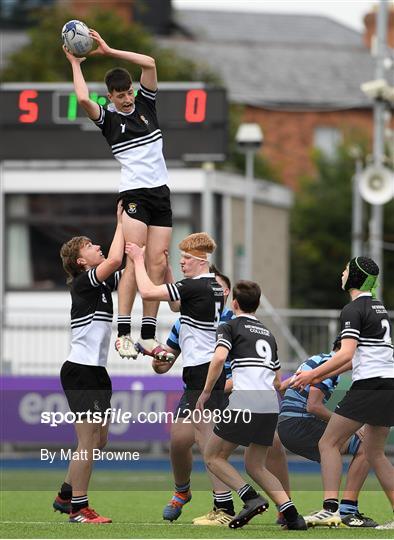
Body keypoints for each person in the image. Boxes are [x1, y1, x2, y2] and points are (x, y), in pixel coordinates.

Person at [63, 29, 173, 362]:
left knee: (158, 261)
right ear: (109, 97)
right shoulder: (109, 120)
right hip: (134, 194)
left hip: (161, 193)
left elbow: (150, 64)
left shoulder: (146, 106)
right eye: (120, 95)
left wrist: (111, 51)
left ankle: (149, 334)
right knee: (132, 258)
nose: (126, 98)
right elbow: (83, 99)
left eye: (128, 93)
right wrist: (75, 63)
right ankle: (124, 333)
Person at [126, 233, 237, 523]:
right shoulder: (196, 298)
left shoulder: (204, 290)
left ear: (201, 262)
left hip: (210, 376)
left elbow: (149, 293)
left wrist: (139, 259)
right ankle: (184, 492)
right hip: (195, 376)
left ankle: (227, 506)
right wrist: (158, 358)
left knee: (209, 442)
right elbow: (176, 311)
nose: (183, 262)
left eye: (186, 259)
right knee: (179, 441)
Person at [292, 256, 394, 530]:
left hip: (370, 386)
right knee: (375, 453)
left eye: (346, 270)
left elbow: (346, 353)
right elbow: (353, 360)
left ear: (355, 278)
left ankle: (330, 509)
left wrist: (312, 374)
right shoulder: (378, 307)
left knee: (328, 443)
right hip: (388, 385)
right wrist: (318, 375)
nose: (342, 273)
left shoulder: (353, 308)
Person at [196, 280, 307, 530]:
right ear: (257, 304)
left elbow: (219, 358)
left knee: (213, 456)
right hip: (269, 405)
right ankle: (292, 516)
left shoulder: (229, 325)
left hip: (244, 401)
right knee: (255, 465)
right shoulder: (268, 334)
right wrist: (296, 380)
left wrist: (205, 392)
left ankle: (250, 498)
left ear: (234, 303)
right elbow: (278, 382)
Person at [53, 202, 124, 523]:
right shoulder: (85, 282)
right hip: (80, 371)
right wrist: (124, 220)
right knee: (87, 441)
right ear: (82, 262)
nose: (99, 247)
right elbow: (117, 259)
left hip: (96, 372)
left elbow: (129, 270)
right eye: (91, 246)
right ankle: (78, 509)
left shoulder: (103, 286)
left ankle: (65, 493)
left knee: (100, 439)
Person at [278, 336, 377, 527]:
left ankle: (331, 508)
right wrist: (350, 425)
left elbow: (282, 387)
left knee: (333, 447)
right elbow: (313, 406)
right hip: (299, 423)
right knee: (367, 446)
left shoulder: (316, 359)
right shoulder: (330, 366)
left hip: (288, 424)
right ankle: (343, 510)